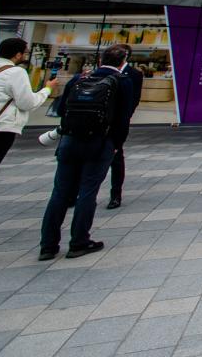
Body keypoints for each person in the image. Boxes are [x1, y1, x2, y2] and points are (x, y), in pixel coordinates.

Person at [40, 44, 132, 260]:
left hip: (69, 141)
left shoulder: (79, 79)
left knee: (59, 193)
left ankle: (47, 246)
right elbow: (123, 118)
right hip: (99, 143)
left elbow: (61, 110)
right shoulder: (122, 82)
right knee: (88, 192)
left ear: (101, 60)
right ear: (123, 62)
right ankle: (79, 242)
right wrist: (116, 144)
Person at [0, 38, 55, 242]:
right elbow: (27, 103)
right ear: (17, 55)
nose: (25, 56)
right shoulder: (16, 73)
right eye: (25, 53)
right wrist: (47, 89)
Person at [107, 44, 144, 209]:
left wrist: (124, 117)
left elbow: (134, 99)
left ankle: (115, 194)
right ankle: (74, 193)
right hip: (94, 126)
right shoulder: (96, 74)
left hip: (117, 125)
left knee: (116, 159)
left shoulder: (134, 75)